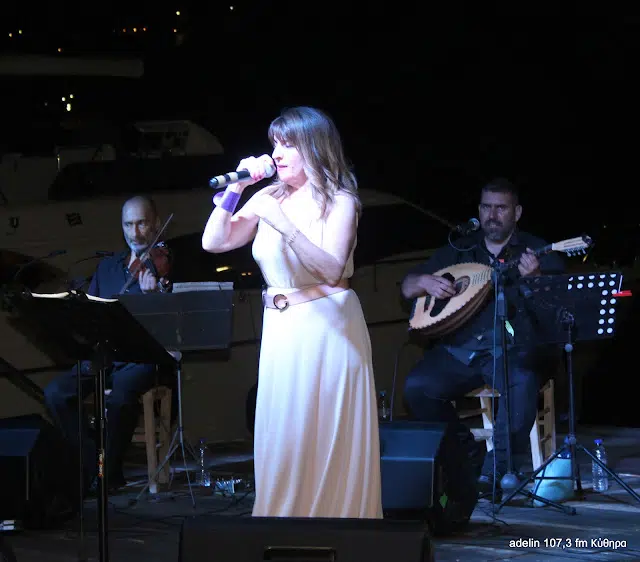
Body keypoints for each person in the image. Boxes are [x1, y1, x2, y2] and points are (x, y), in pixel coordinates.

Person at [202, 106, 382, 518]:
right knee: (286, 433)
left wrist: (282, 223)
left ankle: (338, 525)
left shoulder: (340, 201)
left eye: (287, 144)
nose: (277, 154)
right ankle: (283, 523)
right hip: (282, 329)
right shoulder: (269, 196)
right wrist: (237, 189)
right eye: (274, 144)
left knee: (326, 434)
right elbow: (214, 242)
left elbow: (331, 267)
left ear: (314, 148)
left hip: (329, 327)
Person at [400, 178, 565, 497]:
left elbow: (556, 310)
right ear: (479, 210)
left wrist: (536, 280)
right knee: (418, 388)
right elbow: (407, 287)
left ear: (517, 212)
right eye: (487, 207)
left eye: (501, 208)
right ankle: (467, 451)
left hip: (515, 350)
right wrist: (424, 282)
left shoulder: (536, 251)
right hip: (463, 350)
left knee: (521, 382)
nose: (492, 215)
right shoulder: (461, 249)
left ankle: (494, 472)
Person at [44, 195, 172, 493]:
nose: (135, 232)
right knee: (56, 393)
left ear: (156, 223)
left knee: (121, 398)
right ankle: (93, 460)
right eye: (128, 224)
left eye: (142, 223)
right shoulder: (108, 267)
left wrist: (156, 297)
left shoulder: (166, 265)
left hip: (142, 358)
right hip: (107, 355)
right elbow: (91, 314)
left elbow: (173, 324)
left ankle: (109, 474)